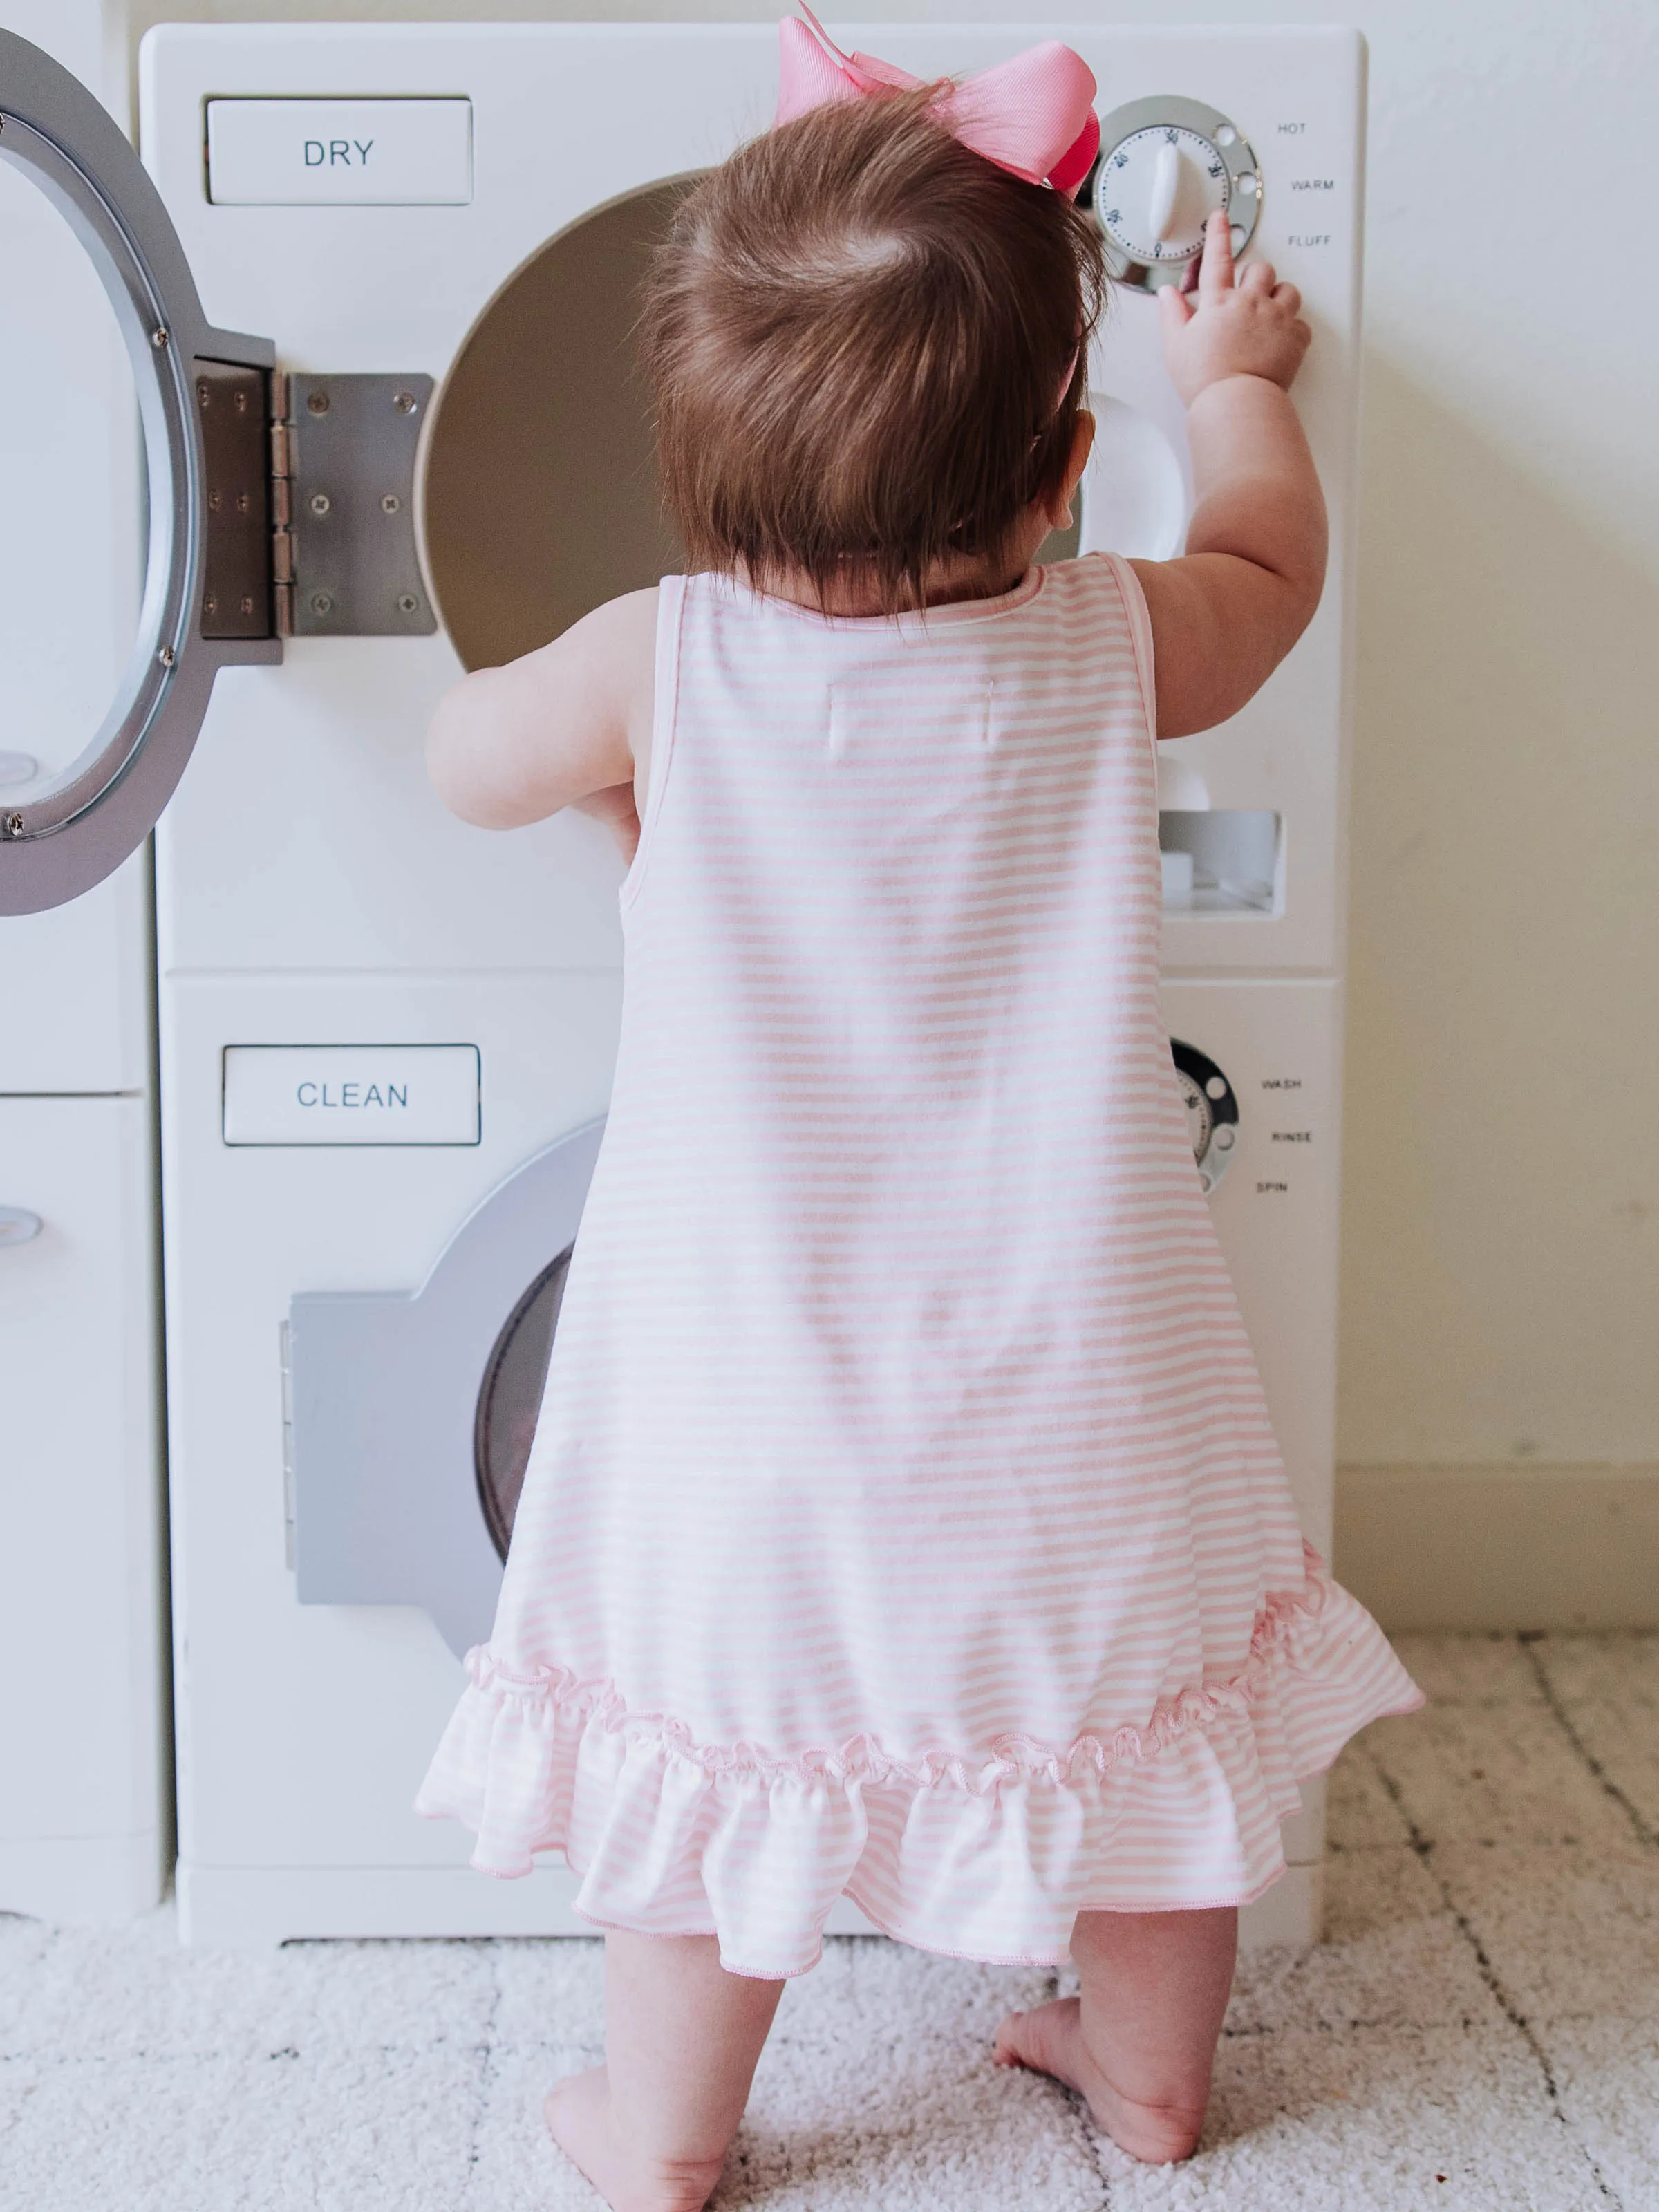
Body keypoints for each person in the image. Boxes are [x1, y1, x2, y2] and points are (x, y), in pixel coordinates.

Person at [416, 19, 1422, 2209]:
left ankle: (664, 2130)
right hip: (1083, 1372)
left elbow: (460, 756)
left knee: (716, 1750)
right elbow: (1275, 567)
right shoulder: (1116, 639)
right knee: (1143, 1726)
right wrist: (1230, 382)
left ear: (695, 476)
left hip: (739, 1383)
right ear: (1060, 472)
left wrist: (611, 774)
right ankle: (1148, 2086)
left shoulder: (656, 659)